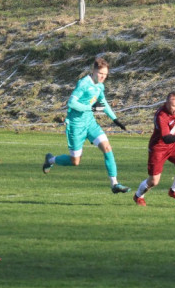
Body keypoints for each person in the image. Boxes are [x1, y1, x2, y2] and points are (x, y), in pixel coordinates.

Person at [42, 56, 130, 194]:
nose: (102, 77)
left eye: (105, 75)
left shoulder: (100, 86)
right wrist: (89, 108)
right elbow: (71, 103)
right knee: (75, 161)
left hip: (90, 123)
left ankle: (115, 184)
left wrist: (115, 119)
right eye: (100, 74)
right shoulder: (83, 84)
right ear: (93, 71)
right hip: (76, 125)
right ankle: (50, 160)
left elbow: (103, 103)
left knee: (107, 147)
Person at [133, 92, 175, 206]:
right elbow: (166, 139)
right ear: (166, 104)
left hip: (172, 145)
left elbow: (171, 133)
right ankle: (138, 196)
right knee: (154, 181)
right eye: (173, 106)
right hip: (158, 148)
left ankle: (174, 191)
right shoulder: (161, 116)